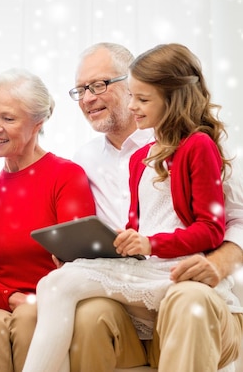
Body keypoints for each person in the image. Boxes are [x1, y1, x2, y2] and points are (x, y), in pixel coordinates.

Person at [22, 43, 243, 372]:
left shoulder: (201, 145)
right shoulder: (115, 160)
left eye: (99, 85)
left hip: (179, 271)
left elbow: (217, 225)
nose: (88, 97)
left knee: (188, 302)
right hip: (140, 272)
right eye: (81, 89)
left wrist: (212, 261)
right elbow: (134, 228)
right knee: (60, 287)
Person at [0, 68, 96, 372]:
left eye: (8, 119)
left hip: (48, 304)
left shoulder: (65, 176)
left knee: (28, 318)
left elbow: (78, 260)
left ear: (38, 123)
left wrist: (31, 301)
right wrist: (10, 298)